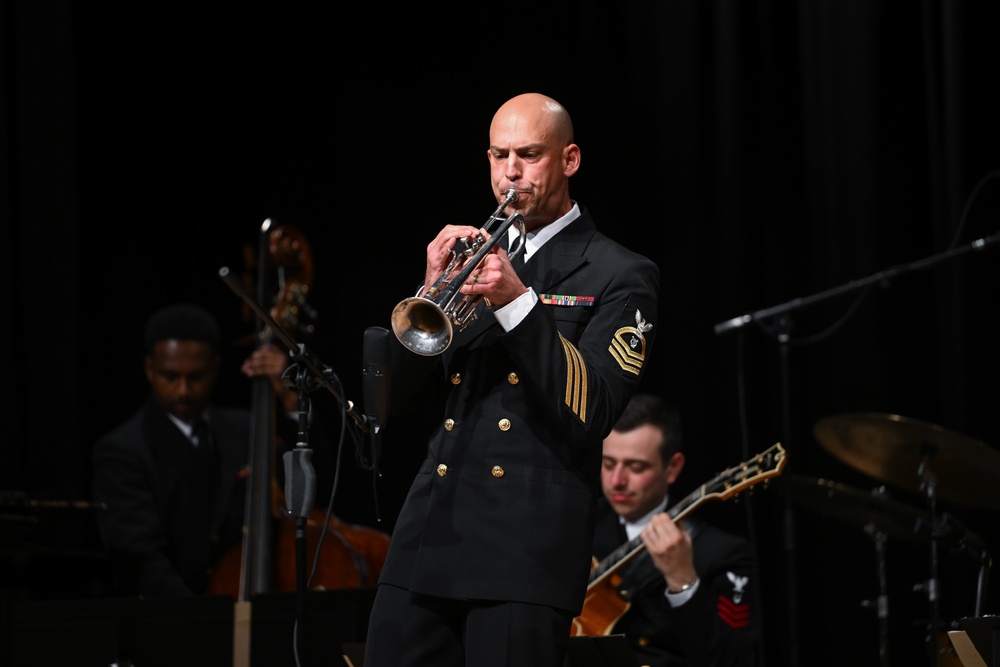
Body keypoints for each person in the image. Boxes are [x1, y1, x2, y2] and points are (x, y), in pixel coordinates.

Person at [363, 93, 660, 667]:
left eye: (529, 155)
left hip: (525, 547)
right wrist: (429, 291)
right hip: (430, 530)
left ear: (569, 160)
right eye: (499, 156)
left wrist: (520, 303)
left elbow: (593, 407)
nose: (510, 174)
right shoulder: (470, 260)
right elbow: (388, 404)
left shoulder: (619, 272)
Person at [91, 302, 301, 597]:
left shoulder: (248, 430)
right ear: (149, 369)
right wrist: (202, 623)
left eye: (196, 376)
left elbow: (314, 490)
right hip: (172, 622)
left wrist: (291, 403)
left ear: (215, 368)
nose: (183, 390)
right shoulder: (121, 451)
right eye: (170, 376)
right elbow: (138, 557)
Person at [591, 393, 760, 667]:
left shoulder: (722, 552)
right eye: (608, 463)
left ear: (672, 468)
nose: (616, 480)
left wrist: (683, 580)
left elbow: (735, 659)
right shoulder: (580, 522)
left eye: (636, 467)